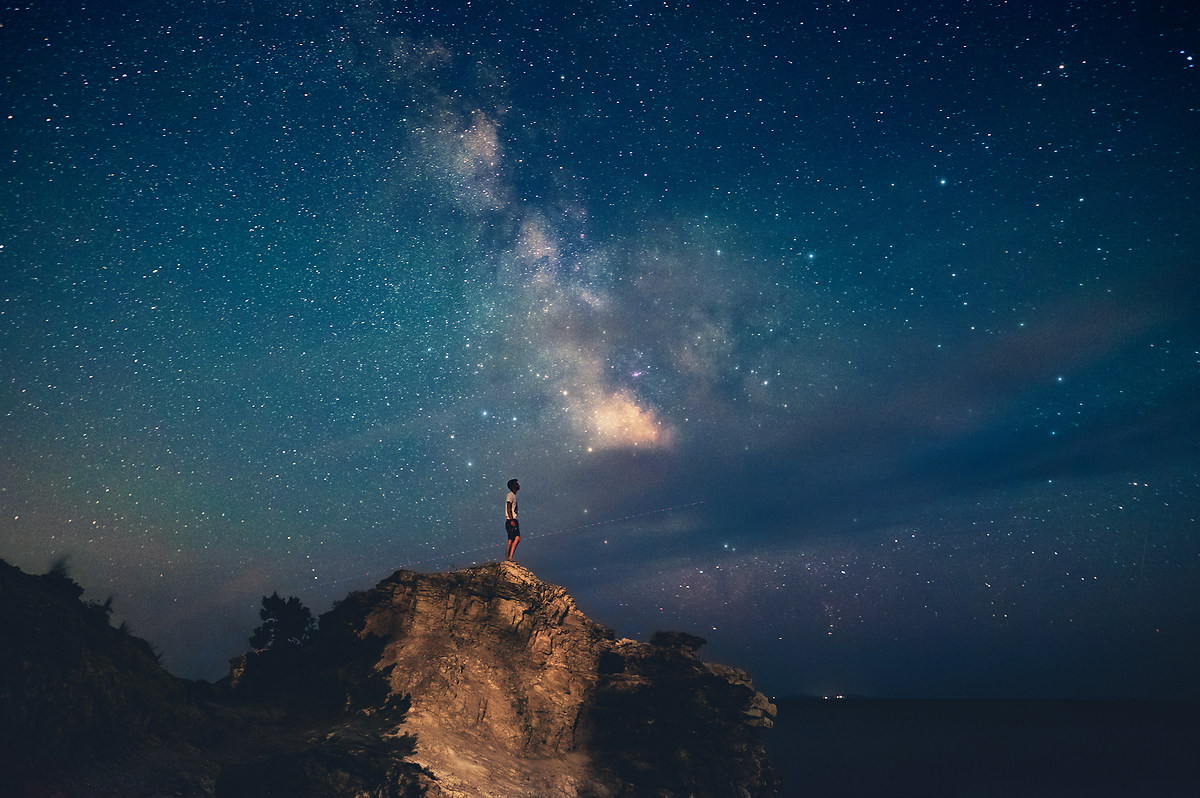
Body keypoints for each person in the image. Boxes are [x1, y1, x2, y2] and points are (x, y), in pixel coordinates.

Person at [504, 478, 520, 561]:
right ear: (513, 486)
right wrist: (511, 519)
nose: (518, 485)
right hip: (511, 520)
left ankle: (508, 558)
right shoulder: (510, 495)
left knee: (511, 539)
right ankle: (510, 557)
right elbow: (508, 507)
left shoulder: (513, 496)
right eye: (516, 484)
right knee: (517, 538)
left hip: (511, 519)